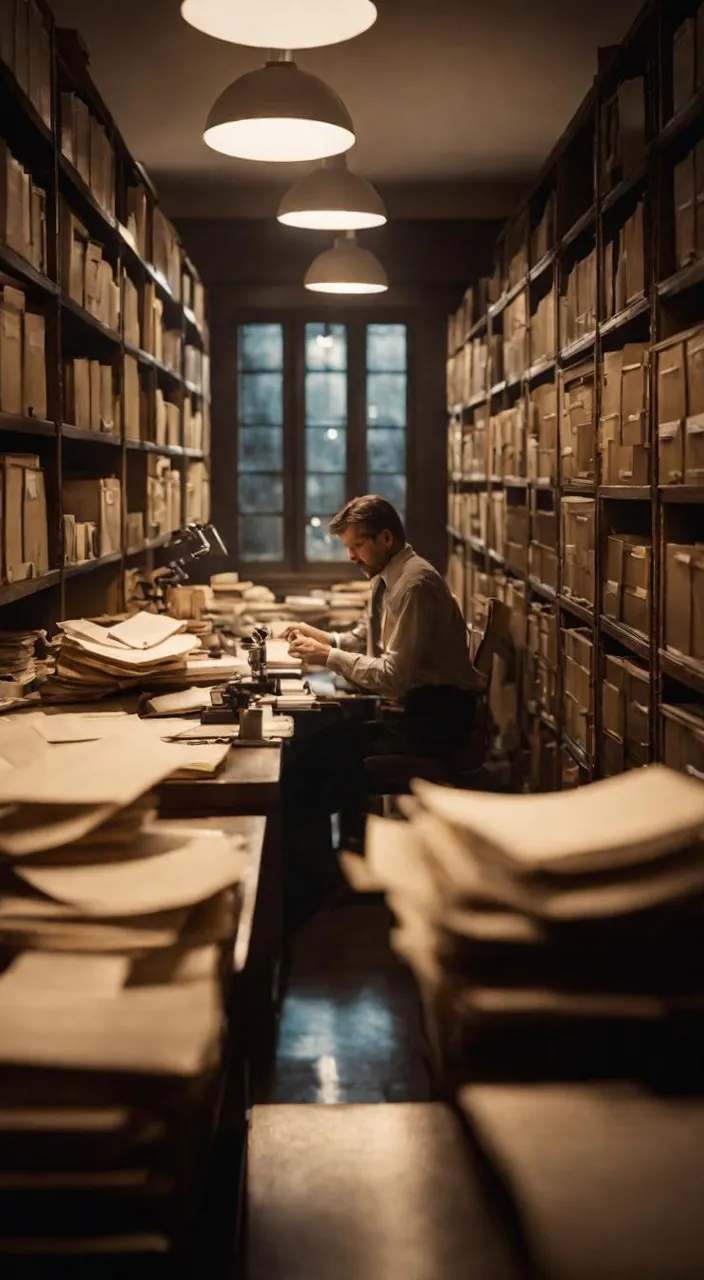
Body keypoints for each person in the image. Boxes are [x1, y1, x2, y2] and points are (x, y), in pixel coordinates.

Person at [281, 495, 492, 822]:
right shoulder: (388, 577)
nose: (352, 557)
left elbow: (395, 677)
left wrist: (328, 656)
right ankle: (331, 857)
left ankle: (329, 866)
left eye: (358, 545)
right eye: (348, 548)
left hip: (438, 723)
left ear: (387, 538)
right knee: (312, 748)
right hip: (419, 711)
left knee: (311, 765)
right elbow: (364, 638)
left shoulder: (414, 585)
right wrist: (319, 636)